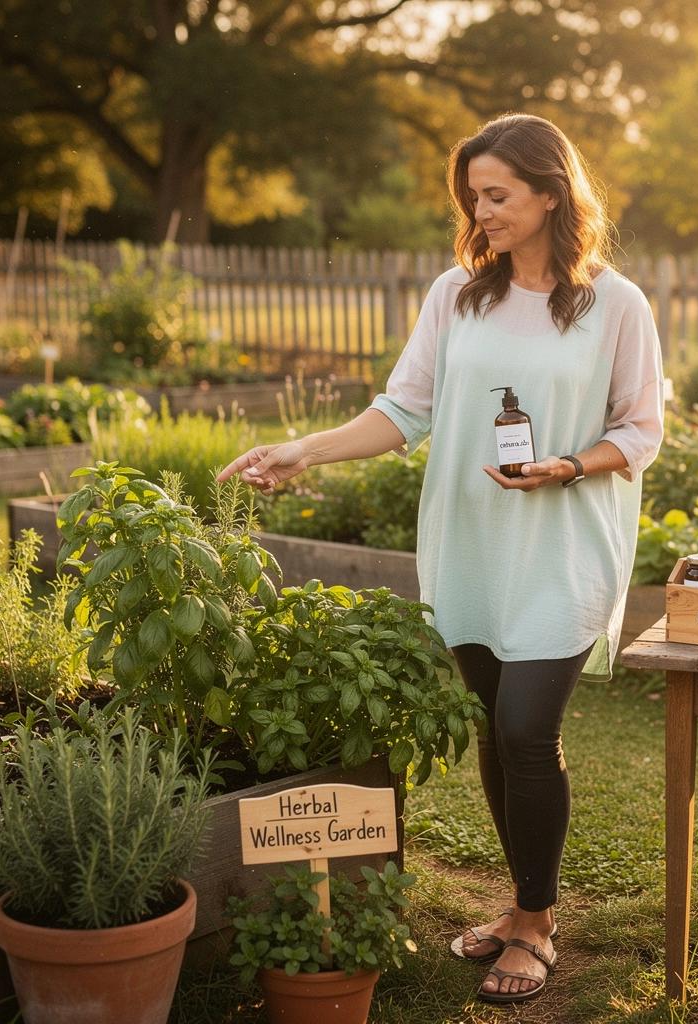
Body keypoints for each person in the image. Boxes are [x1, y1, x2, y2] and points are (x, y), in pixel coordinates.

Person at [217, 113, 664, 1005]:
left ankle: (535, 925)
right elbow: (404, 409)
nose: (481, 210)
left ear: (550, 192)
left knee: (529, 729)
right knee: (500, 728)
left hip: (564, 543)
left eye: (497, 194)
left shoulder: (615, 302)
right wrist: (305, 450)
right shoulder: (457, 294)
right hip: (470, 543)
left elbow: (641, 430)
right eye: (473, 196)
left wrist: (568, 465)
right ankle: (522, 904)